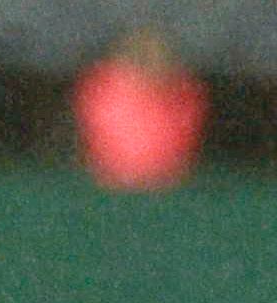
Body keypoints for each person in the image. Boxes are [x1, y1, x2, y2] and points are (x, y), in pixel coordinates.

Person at [75, 28, 207, 193]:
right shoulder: (100, 92)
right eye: (144, 58)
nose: (151, 65)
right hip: (110, 185)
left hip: (168, 187)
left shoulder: (185, 97)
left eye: (157, 59)